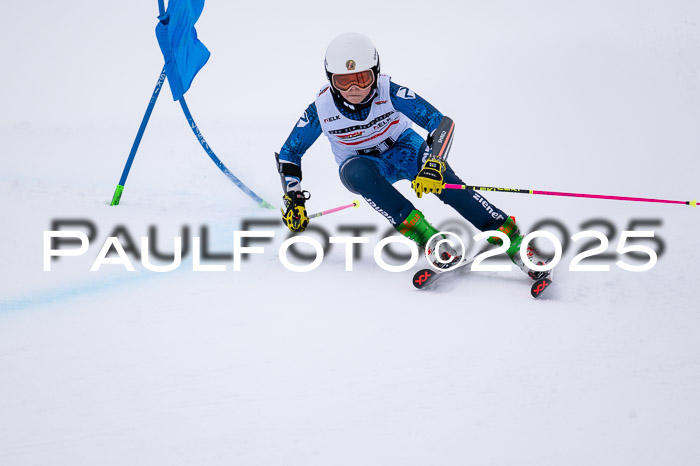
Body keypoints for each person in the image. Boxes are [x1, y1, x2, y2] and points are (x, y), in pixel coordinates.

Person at [276, 32, 549, 278]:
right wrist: (294, 198)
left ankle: (513, 242)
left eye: (362, 78)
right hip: (362, 163)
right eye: (344, 81)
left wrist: (434, 164)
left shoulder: (390, 92)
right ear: (331, 80)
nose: (354, 89)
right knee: (358, 172)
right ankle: (429, 239)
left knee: (451, 189)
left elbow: (442, 123)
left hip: (404, 149)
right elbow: (290, 153)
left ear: (375, 72)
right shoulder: (320, 110)